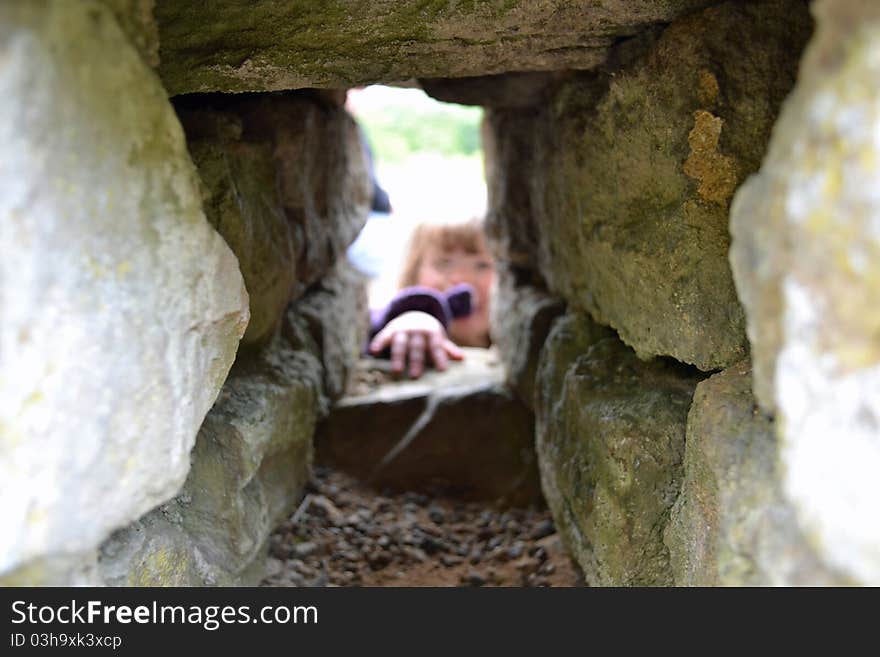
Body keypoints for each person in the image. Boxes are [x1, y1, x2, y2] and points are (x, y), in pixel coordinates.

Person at [367, 218, 495, 379]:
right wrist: (414, 318)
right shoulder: (395, 322)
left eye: (482, 265)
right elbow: (367, 329)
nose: (461, 278)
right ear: (413, 274)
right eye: (444, 263)